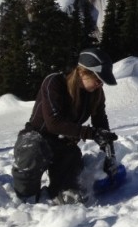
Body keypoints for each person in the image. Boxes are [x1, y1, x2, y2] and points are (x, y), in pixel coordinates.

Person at [11, 47, 119, 204]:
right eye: (98, 80)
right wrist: (92, 133)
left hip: (64, 146)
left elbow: (100, 122)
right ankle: (26, 199)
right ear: (82, 72)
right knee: (32, 151)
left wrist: (108, 154)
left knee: (71, 197)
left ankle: (56, 195)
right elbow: (54, 123)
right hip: (36, 139)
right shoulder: (54, 83)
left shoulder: (96, 94)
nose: (100, 85)